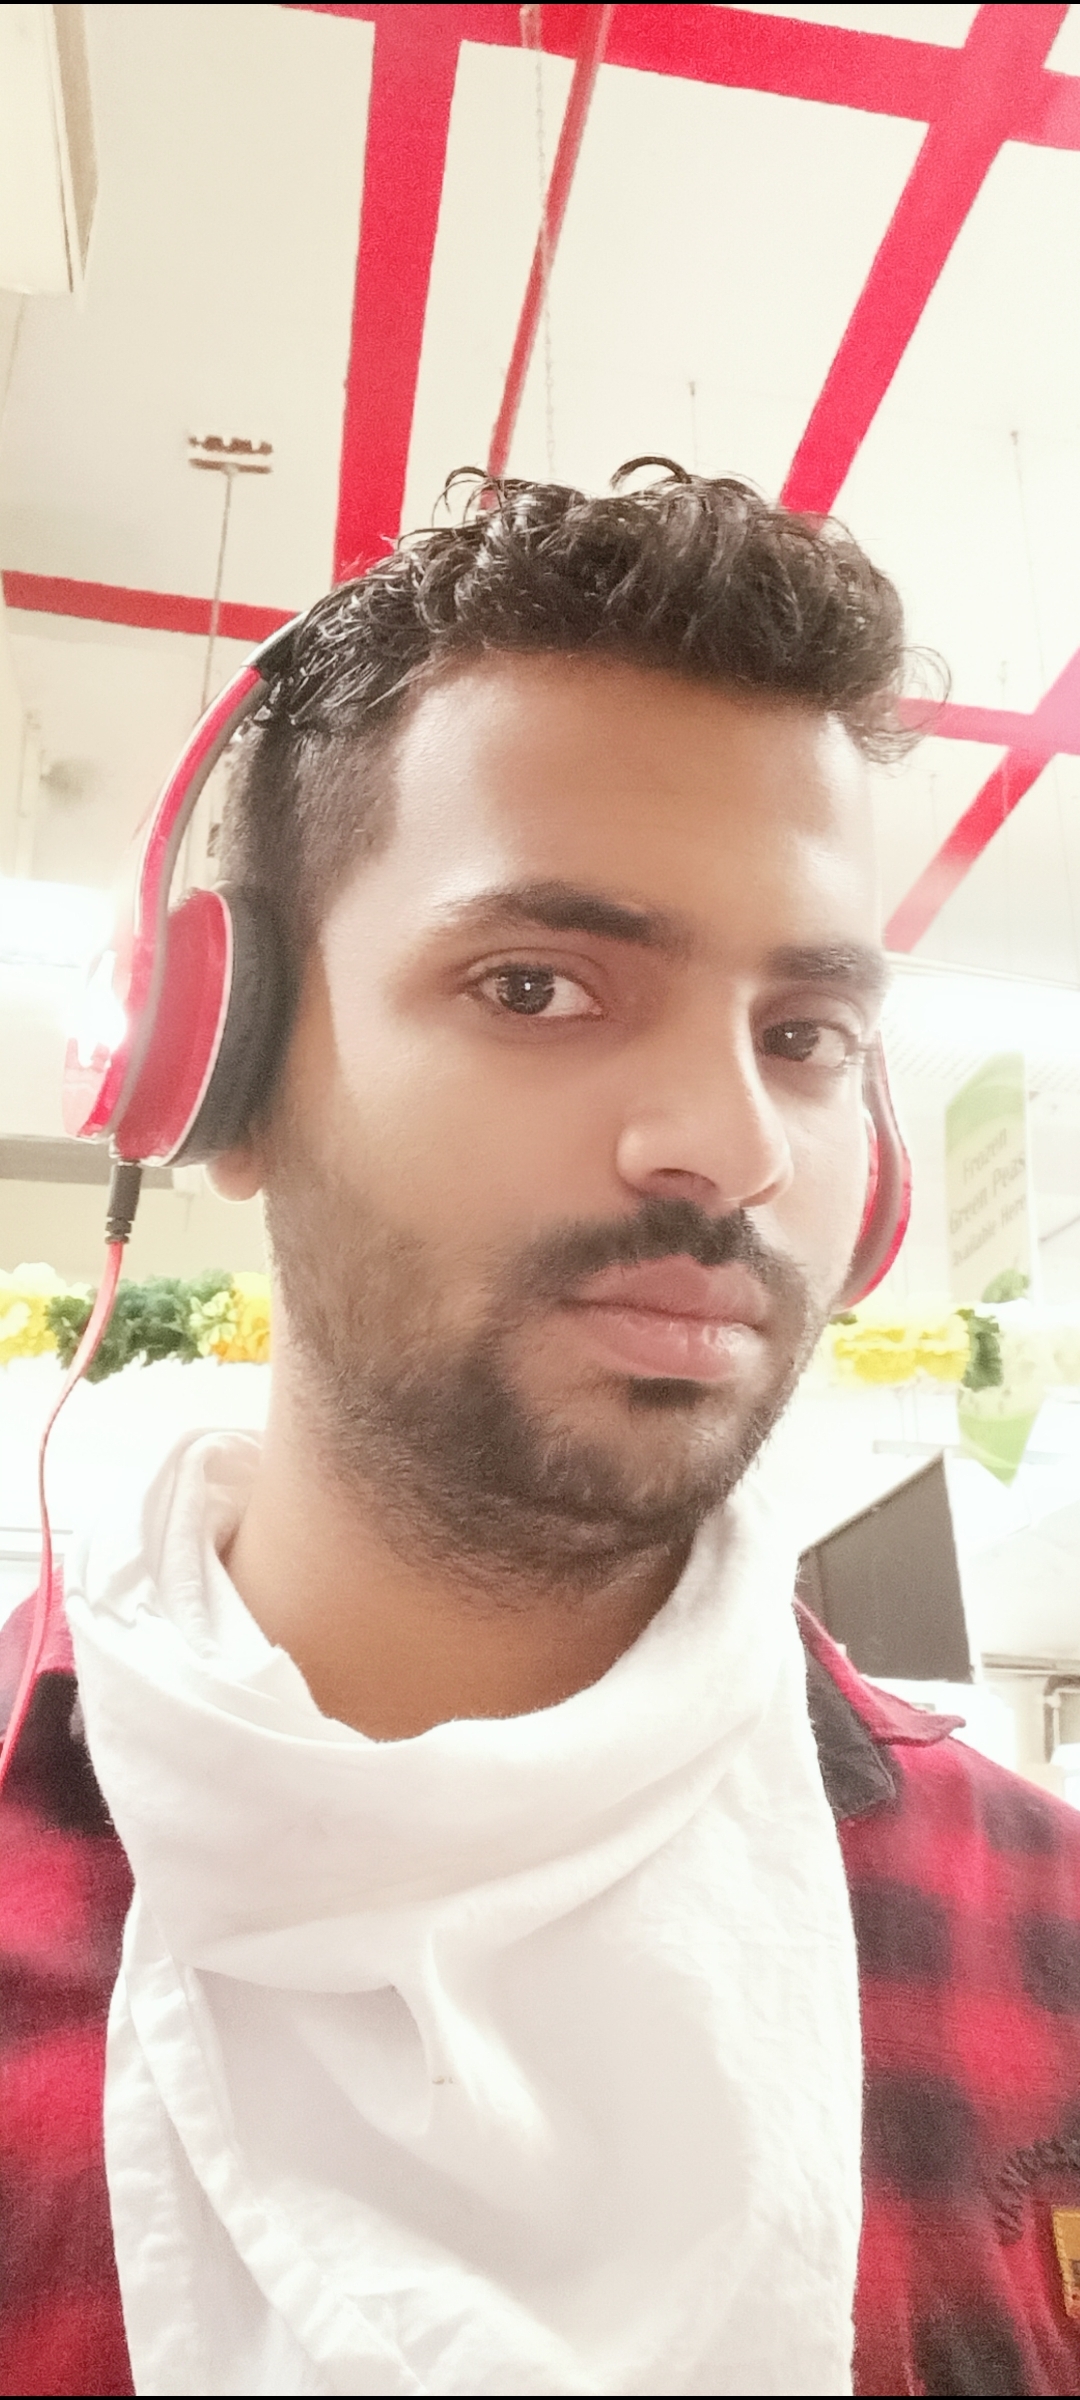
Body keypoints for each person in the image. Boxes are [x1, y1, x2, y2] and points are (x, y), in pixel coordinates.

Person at [2, 466, 1079, 2400]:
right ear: (220, 1071)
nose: (729, 1145)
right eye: (538, 985)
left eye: (805, 1035)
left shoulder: (1052, 1950)